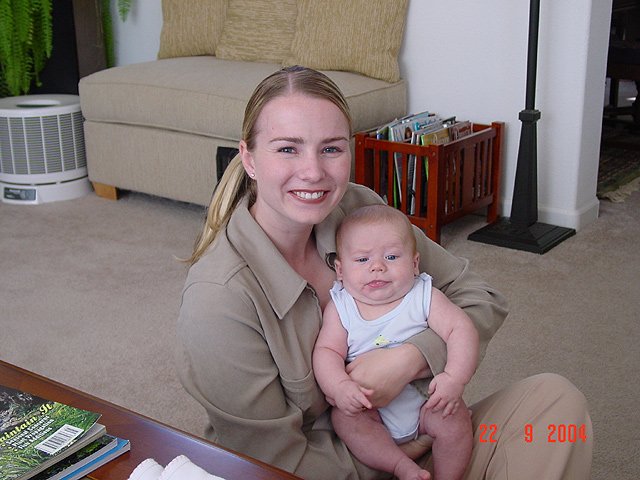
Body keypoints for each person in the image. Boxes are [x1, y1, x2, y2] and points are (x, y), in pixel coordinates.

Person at [176, 65, 593, 479]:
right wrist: (397, 456)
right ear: (249, 158)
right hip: (335, 470)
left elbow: (478, 298)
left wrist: (410, 360)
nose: (313, 172)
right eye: (288, 149)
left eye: (331, 149)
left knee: (556, 404)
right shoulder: (218, 300)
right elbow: (273, 463)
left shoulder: (359, 211)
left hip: (428, 438)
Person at [313, 204, 478, 480]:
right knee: (344, 419)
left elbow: (460, 329)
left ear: (414, 263)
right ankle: (401, 466)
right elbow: (327, 351)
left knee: (454, 418)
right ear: (340, 270)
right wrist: (339, 386)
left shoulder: (423, 295)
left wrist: (455, 378)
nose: (377, 267)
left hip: (426, 404)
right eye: (362, 260)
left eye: (391, 256)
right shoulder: (341, 307)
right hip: (370, 411)